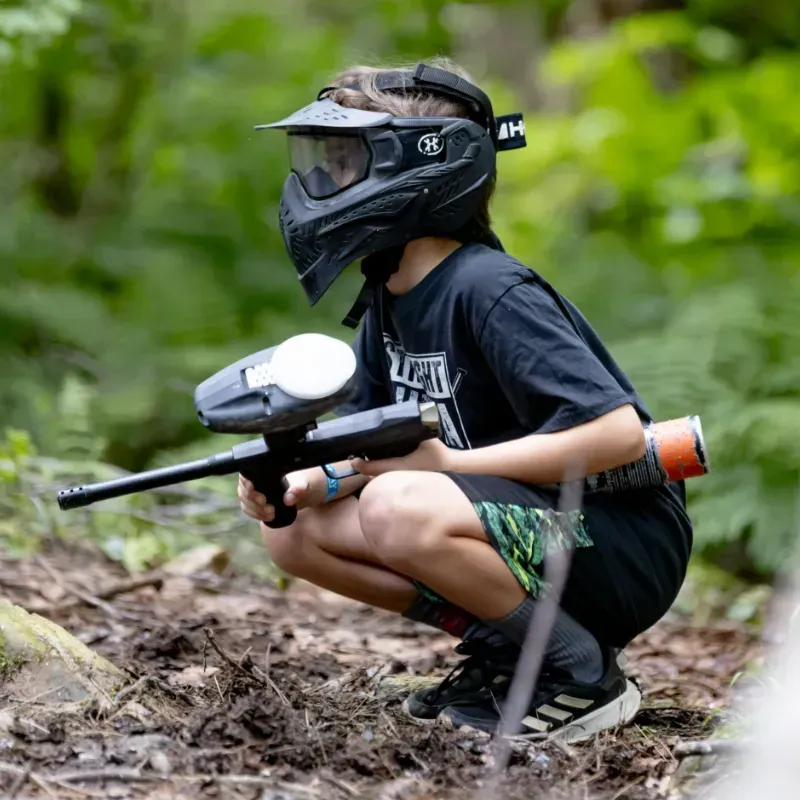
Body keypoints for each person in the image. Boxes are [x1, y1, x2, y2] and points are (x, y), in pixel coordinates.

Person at [237, 58, 693, 741]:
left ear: (419, 169)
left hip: (610, 540)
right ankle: (508, 651)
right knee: (293, 533)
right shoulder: (389, 298)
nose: (321, 183)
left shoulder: (488, 288)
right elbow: (367, 449)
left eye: (342, 163)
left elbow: (619, 434)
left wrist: (447, 465)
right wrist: (303, 483)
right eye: (321, 164)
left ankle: (580, 672)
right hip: (524, 531)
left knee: (398, 506)